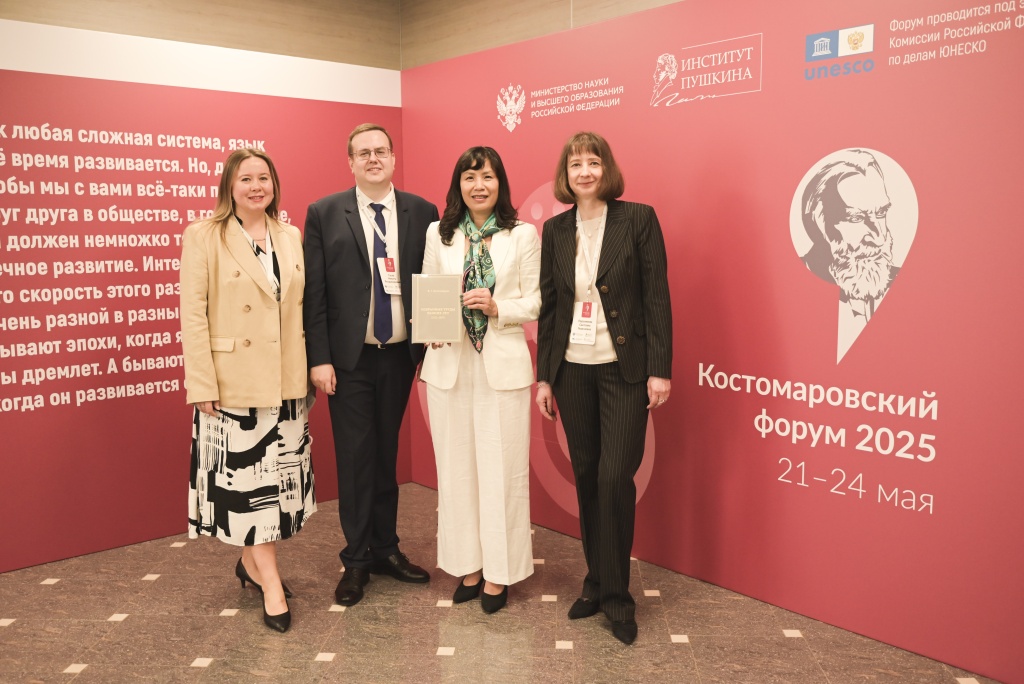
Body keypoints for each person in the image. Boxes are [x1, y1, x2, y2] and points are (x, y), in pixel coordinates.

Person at [535, 131, 672, 645]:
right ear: (565, 176)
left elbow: (656, 296)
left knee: (615, 478)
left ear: (606, 169)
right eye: (575, 165)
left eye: (593, 163)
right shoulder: (555, 229)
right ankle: (595, 583)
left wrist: (660, 369)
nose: (585, 172)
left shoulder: (638, 219)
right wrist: (545, 377)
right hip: (572, 370)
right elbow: (551, 306)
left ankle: (617, 597)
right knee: (588, 478)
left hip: (623, 370)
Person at [180, 148, 315, 633]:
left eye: (264, 178)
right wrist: (201, 382)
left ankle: (249, 562)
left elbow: (300, 308)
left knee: (276, 486)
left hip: (285, 380)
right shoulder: (204, 235)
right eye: (246, 179)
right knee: (250, 489)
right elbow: (193, 315)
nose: (256, 187)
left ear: (274, 184)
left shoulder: (289, 235)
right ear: (229, 187)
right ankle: (271, 584)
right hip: (234, 383)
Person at [303, 123, 438, 607]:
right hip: (349, 361)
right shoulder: (324, 212)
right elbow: (314, 293)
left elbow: (432, 280)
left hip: (400, 355)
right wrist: (319, 358)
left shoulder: (422, 212)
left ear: (393, 158)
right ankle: (356, 559)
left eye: (381, 150)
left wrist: (432, 337)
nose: (373, 158)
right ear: (351, 162)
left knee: (385, 455)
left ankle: (386, 549)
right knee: (356, 458)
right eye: (364, 152)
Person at [420, 147, 540, 614]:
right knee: (456, 471)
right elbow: (431, 288)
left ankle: (499, 572)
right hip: (450, 364)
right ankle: (467, 564)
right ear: (458, 185)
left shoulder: (521, 234)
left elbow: (537, 300)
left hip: (501, 364)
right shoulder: (440, 233)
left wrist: (497, 307)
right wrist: (431, 325)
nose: (479, 186)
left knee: (502, 471)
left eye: (487, 177)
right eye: (469, 177)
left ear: (500, 183)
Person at [799, 149, 899, 361]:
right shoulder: (788, 287)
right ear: (819, 222)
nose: (879, 237)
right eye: (856, 218)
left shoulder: (906, 285)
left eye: (881, 213)